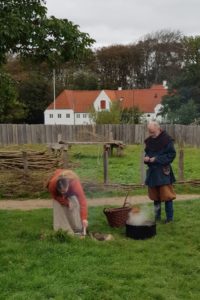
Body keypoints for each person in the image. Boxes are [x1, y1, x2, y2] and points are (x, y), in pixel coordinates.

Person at [144, 121, 176, 223]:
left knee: (167, 196)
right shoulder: (149, 141)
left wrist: (156, 159)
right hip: (153, 172)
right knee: (155, 197)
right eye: (149, 132)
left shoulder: (167, 140)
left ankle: (169, 219)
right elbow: (148, 152)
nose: (151, 134)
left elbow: (171, 155)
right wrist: (146, 158)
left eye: (152, 132)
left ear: (158, 129)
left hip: (163, 172)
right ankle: (157, 217)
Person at [46, 169, 88, 235]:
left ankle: (77, 227)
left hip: (71, 192)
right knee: (59, 207)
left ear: (68, 185)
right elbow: (54, 196)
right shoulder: (52, 185)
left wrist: (84, 218)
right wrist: (63, 201)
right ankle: (62, 228)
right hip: (57, 195)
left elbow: (82, 201)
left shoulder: (75, 184)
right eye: (61, 192)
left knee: (75, 204)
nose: (63, 194)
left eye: (64, 192)